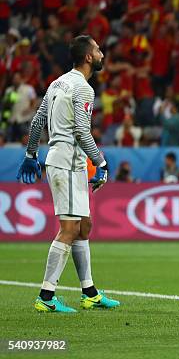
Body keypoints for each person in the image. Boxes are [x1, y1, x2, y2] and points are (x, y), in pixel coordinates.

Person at [16, 35, 120, 313]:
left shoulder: (57, 82)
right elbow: (81, 132)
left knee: (84, 226)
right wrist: (101, 163)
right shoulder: (84, 89)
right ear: (88, 57)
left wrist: (30, 154)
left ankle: (89, 292)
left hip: (62, 161)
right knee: (69, 229)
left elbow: (38, 120)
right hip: (67, 162)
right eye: (98, 50)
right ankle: (46, 296)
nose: (101, 53)